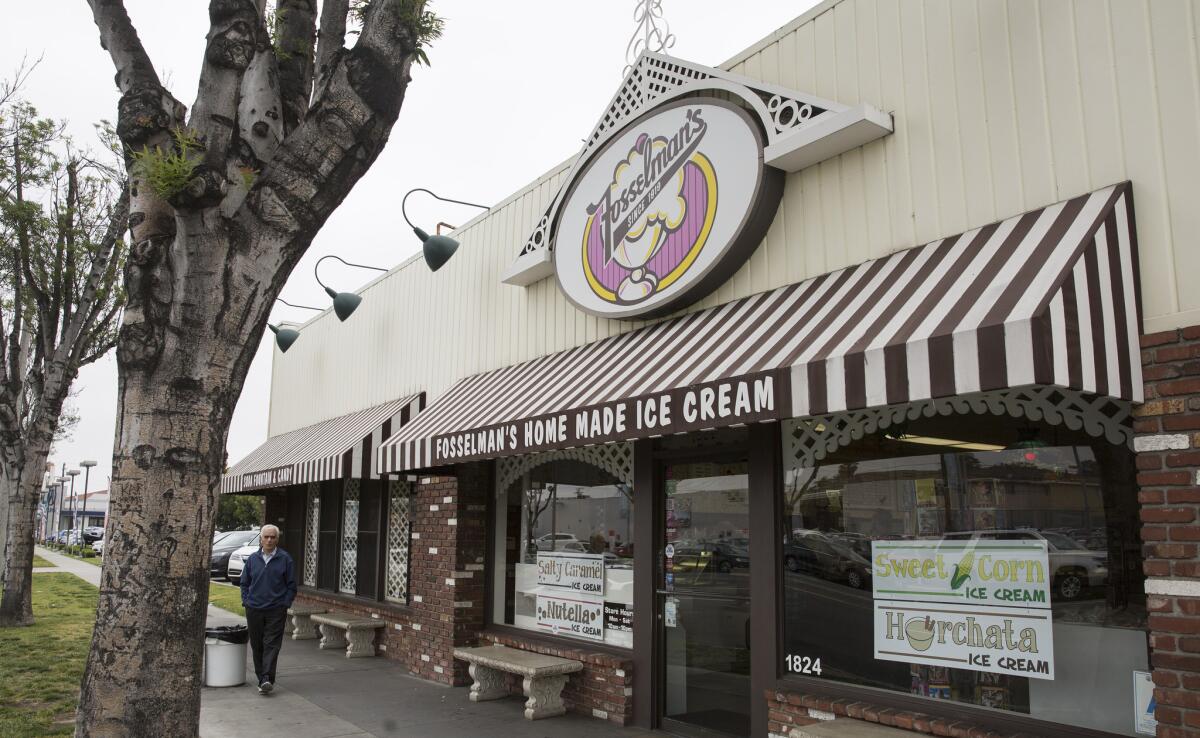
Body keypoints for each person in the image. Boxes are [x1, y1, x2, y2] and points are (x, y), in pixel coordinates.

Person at [239, 524, 296, 695]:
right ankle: (261, 677)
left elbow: (291, 586)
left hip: (275, 610)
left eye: (273, 537)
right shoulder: (252, 560)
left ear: (277, 539)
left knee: (271, 644)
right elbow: (244, 583)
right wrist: (246, 601)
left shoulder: (285, 559)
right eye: (266, 537)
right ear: (261, 539)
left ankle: (266, 679)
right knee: (257, 645)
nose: (269, 540)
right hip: (254, 609)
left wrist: (284, 604)